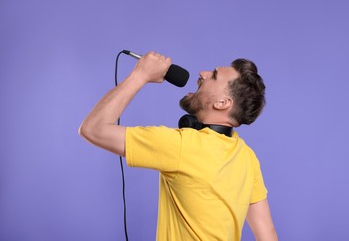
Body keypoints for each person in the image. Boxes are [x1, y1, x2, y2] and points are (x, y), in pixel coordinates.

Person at [79, 52, 278, 240]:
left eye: (214, 76)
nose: (203, 73)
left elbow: (92, 128)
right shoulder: (246, 157)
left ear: (223, 102)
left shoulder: (182, 145)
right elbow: (267, 235)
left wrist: (140, 75)